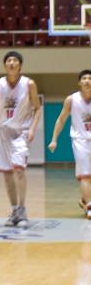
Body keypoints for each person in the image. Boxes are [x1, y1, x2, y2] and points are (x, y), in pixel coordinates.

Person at [0, 50, 42, 228]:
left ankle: (22, 210)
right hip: (3, 133)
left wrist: (32, 129)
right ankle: (15, 210)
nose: (12, 63)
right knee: (7, 174)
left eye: (15, 60)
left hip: (22, 132)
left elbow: (37, 108)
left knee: (19, 170)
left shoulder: (29, 84)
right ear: (5, 65)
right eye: (9, 60)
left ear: (20, 65)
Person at [48, 69, 91, 217]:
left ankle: (85, 199)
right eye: (84, 78)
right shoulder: (72, 100)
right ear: (79, 82)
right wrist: (54, 139)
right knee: (85, 175)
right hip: (80, 141)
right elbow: (61, 119)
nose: (87, 81)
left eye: (90, 78)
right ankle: (90, 206)